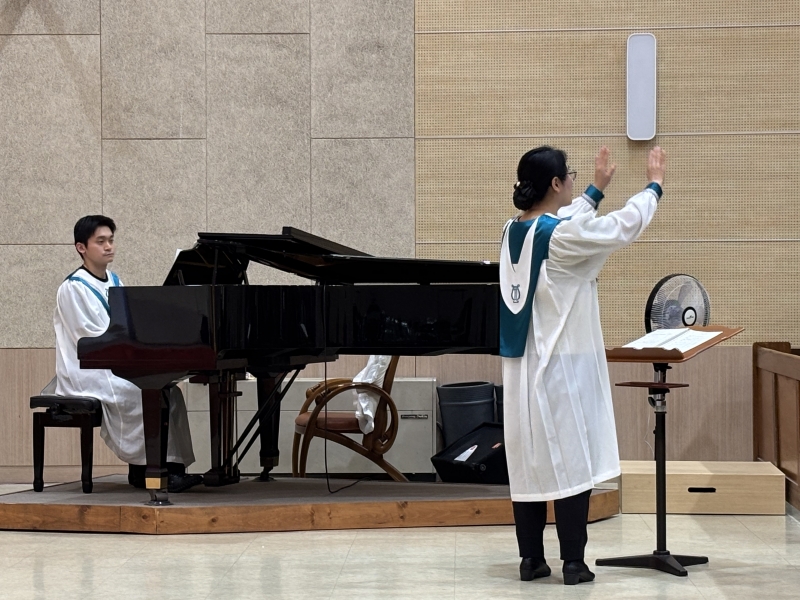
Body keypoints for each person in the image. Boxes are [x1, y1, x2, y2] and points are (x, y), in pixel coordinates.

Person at [500, 146, 666, 585]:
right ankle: (573, 563)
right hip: (560, 366)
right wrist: (653, 187)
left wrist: (595, 189)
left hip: (521, 366)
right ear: (556, 183)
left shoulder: (514, 229)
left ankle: (531, 560)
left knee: (529, 463)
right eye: (569, 175)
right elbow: (618, 228)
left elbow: (565, 221)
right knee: (572, 462)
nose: (573, 180)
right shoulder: (560, 238)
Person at [53, 215, 202, 492]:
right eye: (100, 241)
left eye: (111, 240)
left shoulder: (114, 280)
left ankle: (163, 468)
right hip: (89, 368)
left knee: (169, 391)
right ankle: (153, 469)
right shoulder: (73, 288)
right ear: (81, 247)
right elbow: (89, 337)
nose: (109, 246)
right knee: (140, 390)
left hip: (116, 360)